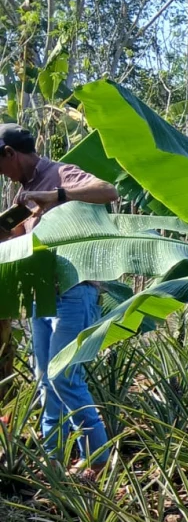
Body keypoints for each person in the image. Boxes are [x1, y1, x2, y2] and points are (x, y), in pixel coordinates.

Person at [0, 124, 117, 465]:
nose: (2, 174)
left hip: (73, 292)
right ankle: (54, 462)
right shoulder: (23, 191)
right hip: (41, 294)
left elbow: (108, 190)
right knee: (45, 383)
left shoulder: (59, 174)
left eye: (1, 164)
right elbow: (21, 239)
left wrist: (59, 196)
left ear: (11, 153)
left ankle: (97, 462)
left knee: (64, 377)